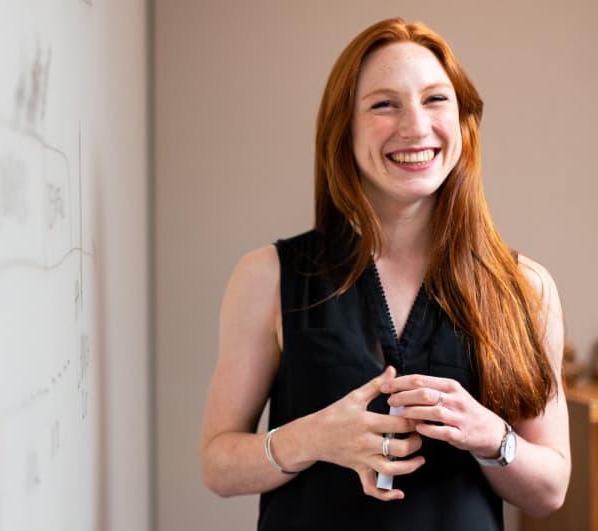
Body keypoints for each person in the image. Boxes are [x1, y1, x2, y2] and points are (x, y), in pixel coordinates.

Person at [200, 18, 569, 530]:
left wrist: (490, 436)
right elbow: (218, 464)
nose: (416, 126)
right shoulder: (267, 277)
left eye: (435, 100)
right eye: (384, 104)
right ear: (343, 130)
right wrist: (312, 437)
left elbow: (551, 489)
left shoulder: (526, 289)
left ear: (462, 120)